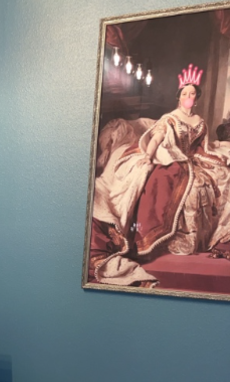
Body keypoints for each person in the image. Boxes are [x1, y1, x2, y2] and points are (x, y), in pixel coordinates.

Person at [90, 65, 230, 286]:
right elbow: (156, 138)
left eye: (192, 94)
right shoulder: (170, 118)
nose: (189, 97)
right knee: (176, 180)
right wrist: (148, 155)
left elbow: (203, 147)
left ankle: (211, 237)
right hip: (172, 154)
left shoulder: (200, 121)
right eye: (185, 93)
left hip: (193, 158)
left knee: (220, 176)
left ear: (196, 98)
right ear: (179, 97)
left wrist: (215, 157)